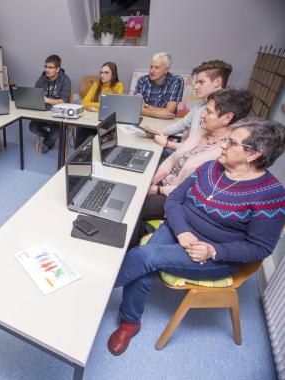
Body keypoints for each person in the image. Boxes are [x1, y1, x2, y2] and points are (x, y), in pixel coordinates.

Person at [107, 117, 285, 356]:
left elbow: (260, 248)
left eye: (231, 142)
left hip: (211, 255)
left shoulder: (270, 195)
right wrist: (182, 232)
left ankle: (105, 298)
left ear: (254, 154)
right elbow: (174, 200)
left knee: (143, 256)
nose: (222, 145)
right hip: (178, 230)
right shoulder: (211, 167)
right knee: (145, 260)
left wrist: (214, 251)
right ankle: (129, 321)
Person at [142, 89, 252, 223]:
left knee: (136, 205)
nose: (202, 115)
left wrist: (159, 189)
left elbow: (196, 190)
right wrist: (159, 173)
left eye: (209, 112)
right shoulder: (203, 131)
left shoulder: (226, 152)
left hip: (179, 198)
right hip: (163, 184)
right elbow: (175, 156)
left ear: (227, 118)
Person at [145, 60, 232, 151]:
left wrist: (167, 143)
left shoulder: (222, 115)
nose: (195, 87)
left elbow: (197, 150)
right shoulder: (201, 105)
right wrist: (156, 132)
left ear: (217, 82)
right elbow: (182, 124)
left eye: (201, 82)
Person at [29, 54, 71, 154]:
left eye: (50, 67)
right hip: (43, 112)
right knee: (32, 127)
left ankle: (47, 144)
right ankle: (50, 139)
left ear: (57, 69)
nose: (47, 70)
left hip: (57, 114)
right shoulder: (42, 79)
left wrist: (47, 100)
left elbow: (64, 100)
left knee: (56, 131)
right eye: (46, 67)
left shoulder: (65, 79)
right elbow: (35, 94)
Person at [75, 61, 124, 148]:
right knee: (80, 127)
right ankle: (77, 156)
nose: (102, 75)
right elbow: (85, 102)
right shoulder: (96, 84)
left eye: (106, 73)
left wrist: (97, 109)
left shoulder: (119, 86)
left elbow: (116, 108)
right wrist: (103, 107)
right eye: (101, 72)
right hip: (93, 120)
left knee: (105, 141)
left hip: (106, 123)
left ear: (113, 74)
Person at [134, 52, 184, 120]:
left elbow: (169, 112)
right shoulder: (142, 80)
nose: (152, 71)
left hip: (166, 123)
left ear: (166, 70)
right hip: (145, 120)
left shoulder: (176, 81)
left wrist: (146, 106)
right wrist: (157, 114)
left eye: (157, 68)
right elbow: (136, 108)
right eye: (151, 67)